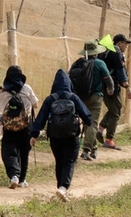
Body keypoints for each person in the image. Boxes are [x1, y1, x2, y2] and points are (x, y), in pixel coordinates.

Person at [28, 67, 87, 199]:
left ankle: (60, 186)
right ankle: (63, 187)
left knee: (59, 160)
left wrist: (34, 135)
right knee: (69, 160)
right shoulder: (74, 98)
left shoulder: (50, 99)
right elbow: (87, 116)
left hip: (54, 136)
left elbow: (41, 118)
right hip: (71, 135)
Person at [0, 64, 39, 189]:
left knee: (9, 151)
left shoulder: (3, 90)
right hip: (25, 126)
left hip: (8, 127)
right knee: (24, 152)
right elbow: (36, 104)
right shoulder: (27, 88)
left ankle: (14, 176)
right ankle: (22, 180)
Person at [68, 42, 114, 162]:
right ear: (96, 52)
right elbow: (108, 79)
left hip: (79, 98)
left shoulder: (77, 63)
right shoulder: (99, 63)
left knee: (87, 123)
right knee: (92, 124)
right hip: (95, 97)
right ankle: (86, 150)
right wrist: (110, 89)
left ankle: (93, 148)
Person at [99, 33, 131, 150]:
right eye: (125, 43)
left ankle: (101, 128)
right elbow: (119, 70)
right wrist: (127, 87)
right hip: (111, 86)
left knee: (114, 108)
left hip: (104, 85)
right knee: (116, 111)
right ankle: (109, 139)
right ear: (119, 43)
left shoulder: (106, 52)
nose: (126, 46)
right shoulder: (116, 51)